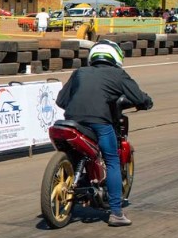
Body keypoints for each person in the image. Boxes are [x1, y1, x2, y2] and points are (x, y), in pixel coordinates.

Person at [56, 40, 153, 227]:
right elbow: (139, 97)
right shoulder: (118, 74)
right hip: (100, 123)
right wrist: (146, 103)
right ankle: (116, 213)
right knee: (112, 160)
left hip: (71, 122)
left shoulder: (79, 72)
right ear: (115, 56)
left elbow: (61, 100)